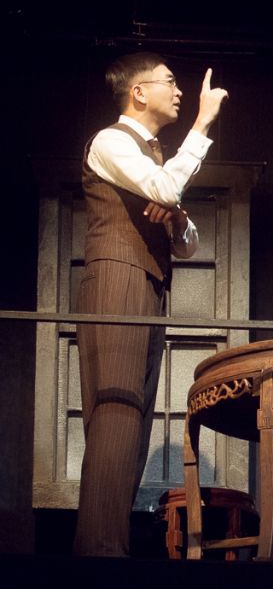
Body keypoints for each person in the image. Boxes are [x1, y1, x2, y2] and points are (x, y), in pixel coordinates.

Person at [74, 52, 228, 556]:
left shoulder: (152, 158)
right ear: (138, 92)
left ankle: (108, 547)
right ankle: (99, 553)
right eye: (169, 82)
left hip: (149, 286)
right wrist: (203, 124)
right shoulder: (112, 141)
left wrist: (176, 215)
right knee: (115, 414)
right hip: (116, 280)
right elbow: (164, 186)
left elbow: (187, 244)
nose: (179, 91)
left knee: (134, 425)